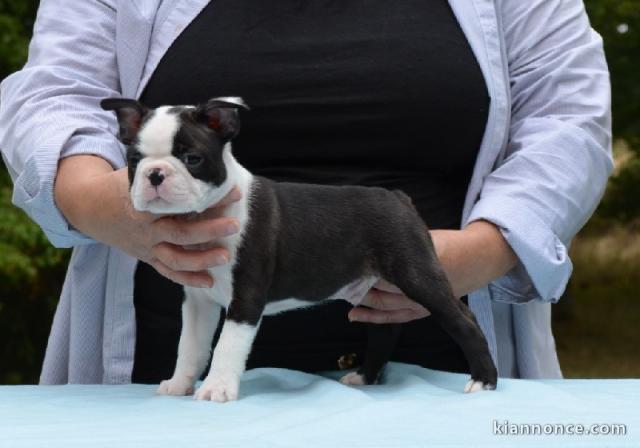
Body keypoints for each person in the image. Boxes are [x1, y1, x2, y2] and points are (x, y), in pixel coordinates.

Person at [0, 0, 611, 385]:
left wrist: (486, 249)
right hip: (153, 381)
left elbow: (571, 118)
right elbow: (53, 90)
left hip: (435, 381)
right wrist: (91, 196)